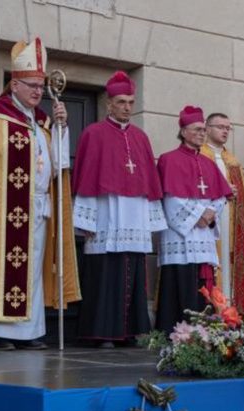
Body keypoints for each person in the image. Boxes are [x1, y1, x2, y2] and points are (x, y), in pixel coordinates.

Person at [0, 37, 80, 351]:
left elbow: (57, 167)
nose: (39, 91)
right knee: (1, 266)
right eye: (33, 85)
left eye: (41, 86)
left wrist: (62, 129)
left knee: (33, 269)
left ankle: (28, 332)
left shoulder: (43, 123)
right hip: (3, 209)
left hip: (38, 206)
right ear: (14, 85)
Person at [71, 71, 166, 347]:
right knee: (105, 275)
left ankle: (129, 331)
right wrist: (85, 220)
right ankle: (102, 333)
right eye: (121, 102)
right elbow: (87, 178)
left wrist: (151, 220)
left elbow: (149, 181)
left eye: (130, 102)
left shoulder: (141, 138)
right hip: (106, 216)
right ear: (109, 103)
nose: (127, 107)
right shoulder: (93, 134)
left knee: (133, 273)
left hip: (135, 216)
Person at [155, 106, 232, 334]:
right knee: (178, 282)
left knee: (201, 286)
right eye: (197, 129)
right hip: (179, 235)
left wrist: (209, 214)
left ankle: (202, 330)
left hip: (202, 233)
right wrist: (199, 214)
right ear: (184, 131)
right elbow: (170, 199)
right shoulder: (168, 160)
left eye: (203, 130)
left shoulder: (208, 163)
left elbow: (220, 197)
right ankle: (174, 331)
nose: (202, 134)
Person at [200, 113, 244, 315]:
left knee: (228, 261)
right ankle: (210, 308)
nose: (225, 131)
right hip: (208, 219)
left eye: (228, 128)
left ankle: (229, 310)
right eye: (220, 127)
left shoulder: (232, 160)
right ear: (207, 128)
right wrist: (220, 188)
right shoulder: (200, 155)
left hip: (229, 217)